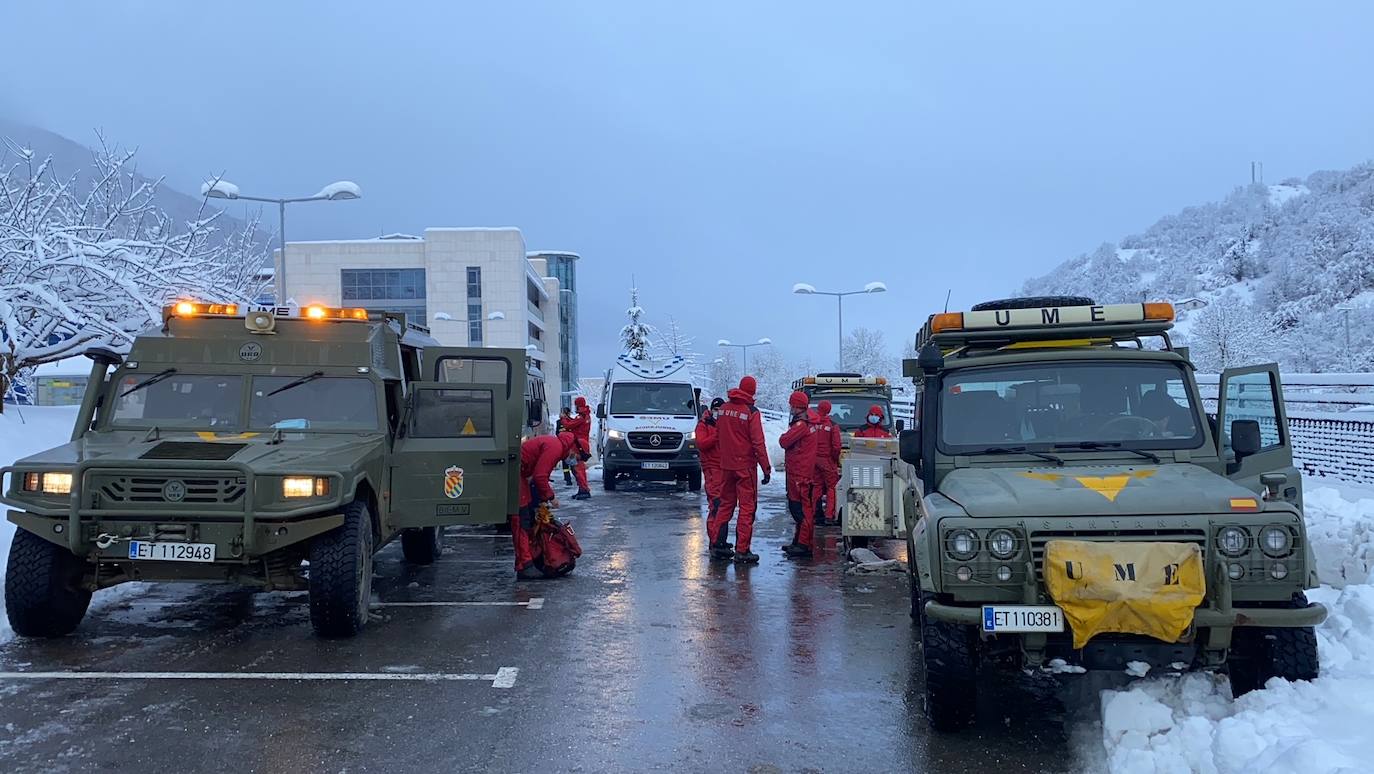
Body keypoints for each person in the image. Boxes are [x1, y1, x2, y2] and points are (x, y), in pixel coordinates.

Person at [708, 376, 771, 563]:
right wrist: (766, 469)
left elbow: (718, 436)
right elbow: (758, 443)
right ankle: (742, 550)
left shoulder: (724, 409)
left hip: (726, 466)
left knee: (725, 505)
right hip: (745, 468)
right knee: (747, 508)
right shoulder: (751, 411)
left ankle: (717, 545)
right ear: (753, 391)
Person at [514, 431, 579, 580]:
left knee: (526, 521)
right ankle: (525, 566)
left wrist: (542, 499)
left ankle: (527, 563)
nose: (574, 461)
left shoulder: (555, 445)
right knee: (521, 522)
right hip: (517, 475)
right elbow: (540, 476)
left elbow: (537, 473)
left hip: (520, 475)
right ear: (573, 450)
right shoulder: (555, 448)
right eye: (577, 457)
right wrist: (551, 498)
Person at [780, 390, 821, 558]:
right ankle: (799, 542)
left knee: (801, 510)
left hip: (799, 473)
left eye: (792, 405)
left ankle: (804, 544)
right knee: (800, 509)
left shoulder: (802, 425)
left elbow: (784, 441)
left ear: (797, 407)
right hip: (801, 472)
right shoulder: (809, 423)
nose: (790, 408)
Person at [813, 399, 842, 527]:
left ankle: (815, 513)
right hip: (828, 460)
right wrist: (835, 459)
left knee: (816, 486)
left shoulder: (812, 423)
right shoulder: (832, 425)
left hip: (814, 460)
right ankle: (829, 515)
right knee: (832, 487)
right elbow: (836, 446)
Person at [695, 397, 724, 521]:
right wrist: (716, 436)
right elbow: (701, 443)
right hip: (711, 468)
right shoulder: (704, 424)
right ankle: (715, 538)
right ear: (711, 410)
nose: (717, 412)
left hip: (724, 468)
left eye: (720, 410)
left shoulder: (725, 424)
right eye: (715, 409)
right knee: (715, 505)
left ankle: (720, 537)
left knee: (723, 507)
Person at [564, 397, 594, 499]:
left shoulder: (581, 417)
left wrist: (563, 418)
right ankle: (583, 489)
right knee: (579, 467)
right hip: (582, 444)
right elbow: (574, 423)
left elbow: (568, 426)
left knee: (577, 468)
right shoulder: (585, 416)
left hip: (578, 444)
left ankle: (583, 490)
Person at [556, 408, 574, 485]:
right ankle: (568, 479)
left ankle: (569, 478)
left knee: (570, 463)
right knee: (567, 463)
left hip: (568, 445)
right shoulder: (560, 422)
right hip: (565, 445)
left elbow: (557, 433)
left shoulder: (571, 421)